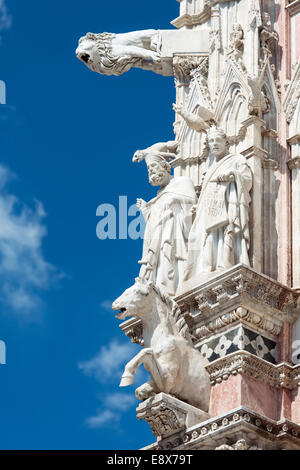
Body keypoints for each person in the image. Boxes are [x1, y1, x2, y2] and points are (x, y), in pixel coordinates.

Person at [184, 125, 252, 281]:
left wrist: (233, 175)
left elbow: (247, 179)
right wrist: (199, 206)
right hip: (209, 209)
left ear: (226, 142)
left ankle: (224, 264)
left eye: (218, 140)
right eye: (211, 141)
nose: (214, 144)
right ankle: (208, 267)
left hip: (227, 208)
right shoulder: (210, 168)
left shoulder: (237, 160)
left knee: (223, 236)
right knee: (206, 238)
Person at [133, 143, 196, 296]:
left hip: (174, 236)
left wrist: (173, 198)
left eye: (153, 167)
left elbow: (192, 201)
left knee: (169, 256)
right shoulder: (159, 195)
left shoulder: (182, 183)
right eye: (149, 170)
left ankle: (172, 285)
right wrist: (146, 211)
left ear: (165, 167)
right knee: (160, 263)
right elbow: (154, 222)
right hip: (158, 240)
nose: (151, 171)